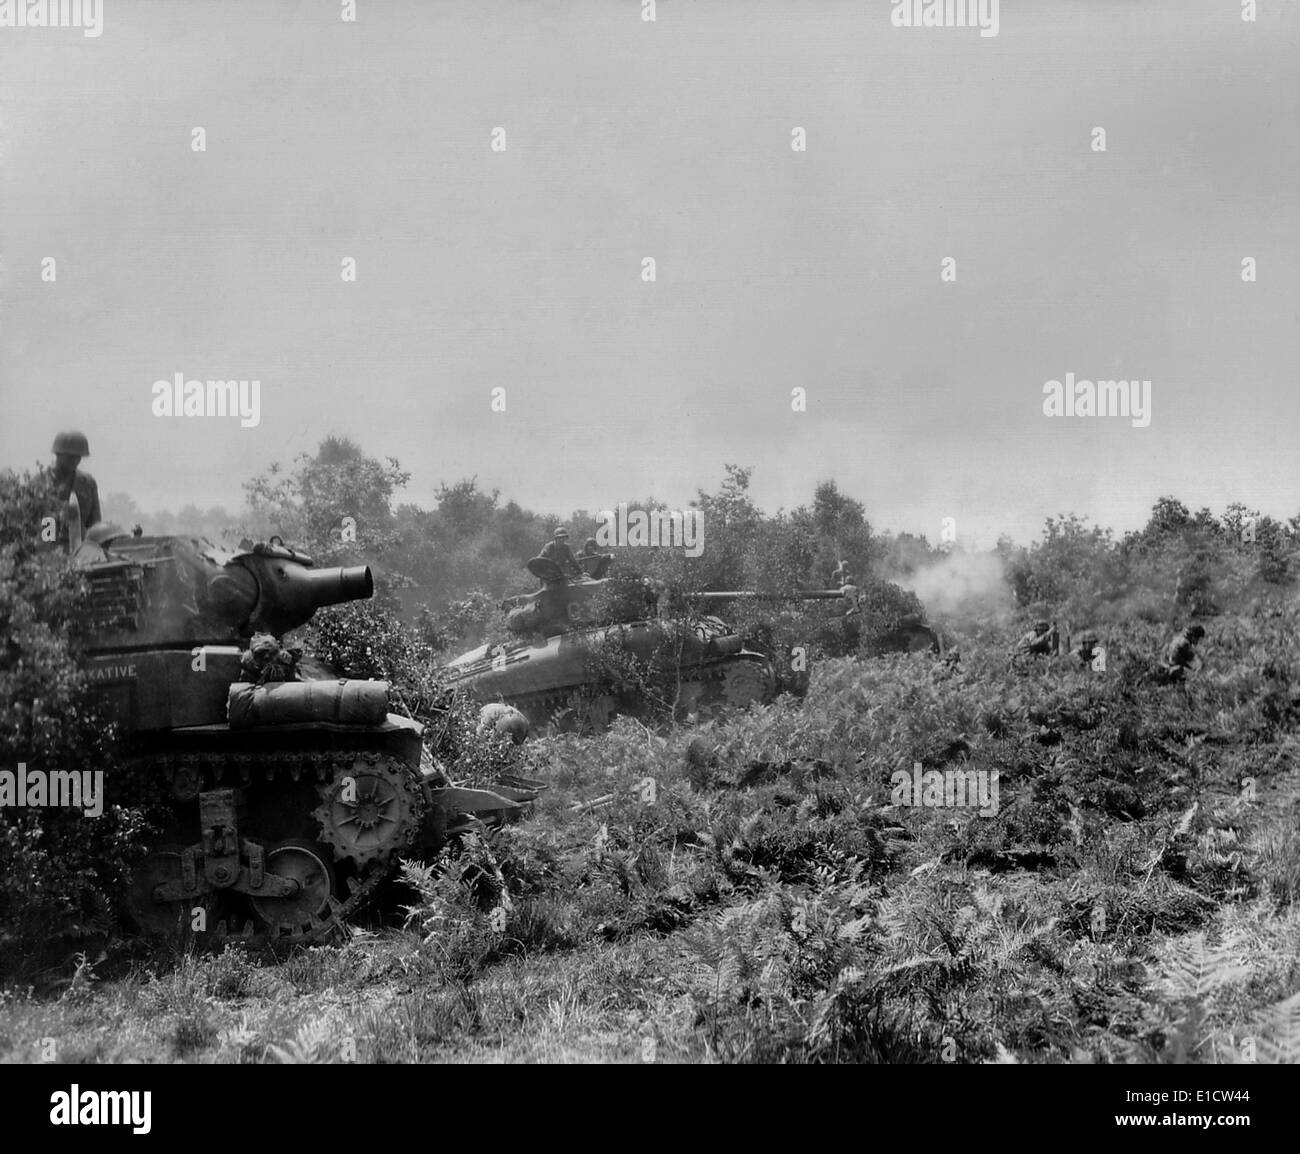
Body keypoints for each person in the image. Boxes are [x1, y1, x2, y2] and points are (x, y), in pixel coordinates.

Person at [48, 430, 101, 535]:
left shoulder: (88, 483)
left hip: (82, 545)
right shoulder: (41, 484)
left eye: (79, 456)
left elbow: (95, 524)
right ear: (58, 454)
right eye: (71, 457)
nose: (75, 460)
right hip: (50, 545)